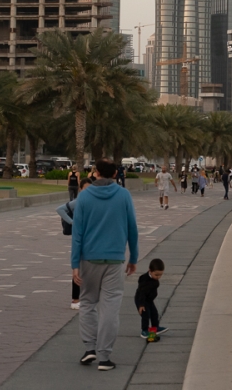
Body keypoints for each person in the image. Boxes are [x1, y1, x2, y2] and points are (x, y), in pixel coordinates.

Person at [71, 159, 139, 372]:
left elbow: (77, 233)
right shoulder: (123, 195)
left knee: (88, 302)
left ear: (96, 173)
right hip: (115, 259)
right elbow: (132, 228)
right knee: (110, 306)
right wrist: (133, 258)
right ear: (115, 174)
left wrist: (74, 264)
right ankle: (104, 357)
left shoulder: (84, 196)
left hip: (88, 259)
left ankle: (89, 347)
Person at [58, 177, 93, 310]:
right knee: (77, 266)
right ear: (80, 190)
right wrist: (73, 222)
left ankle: (86, 297)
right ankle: (75, 299)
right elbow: (60, 209)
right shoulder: (78, 202)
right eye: (85, 190)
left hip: (91, 239)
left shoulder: (94, 202)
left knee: (89, 268)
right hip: (79, 238)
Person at [135, 259, 169, 340]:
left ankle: (155, 327)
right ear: (150, 271)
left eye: (160, 275)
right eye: (156, 275)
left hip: (149, 299)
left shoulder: (155, 280)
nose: (158, 277)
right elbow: (142, 293)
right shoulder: (144, 279)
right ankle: (144, 330)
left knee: (154, 313)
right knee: (145, 314)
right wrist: (141, 304)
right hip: (141, 299)